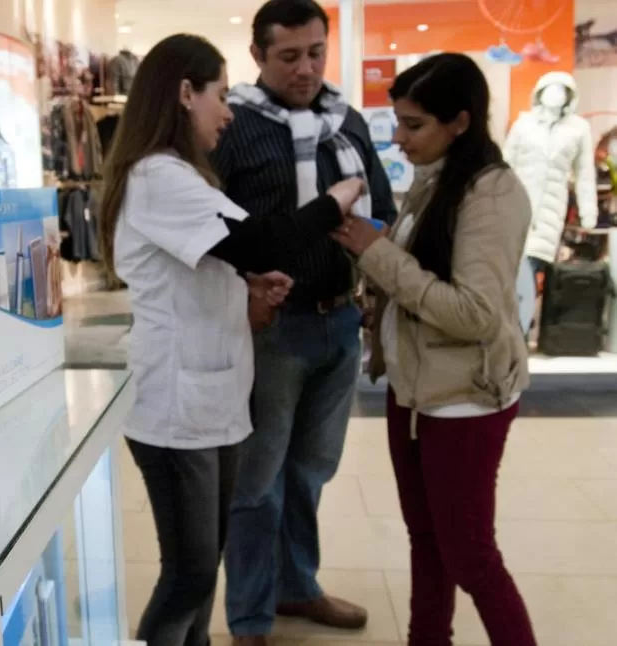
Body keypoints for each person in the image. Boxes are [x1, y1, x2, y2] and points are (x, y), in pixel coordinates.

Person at [97, 33, 364, 646]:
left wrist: (245, 289)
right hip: (176, 408)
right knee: (188, 575)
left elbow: (226, 253)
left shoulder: (186, 176)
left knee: (201, 567)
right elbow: (265, 241)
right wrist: (332, 201)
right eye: (220, 96)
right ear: (186, 93)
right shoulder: (158, 175)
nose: (228, 112)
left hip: (210, 397)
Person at [331, 53, 537, 646]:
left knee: (471, 555)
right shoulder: (436, 181)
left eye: (414, 124)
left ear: (462, 122)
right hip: (416, 392)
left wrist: (378, 252)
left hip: (464, 400)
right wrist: (380, 307)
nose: (398, 138)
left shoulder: (492, 195)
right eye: (397, 121)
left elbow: (473, 314)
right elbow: (426, 287)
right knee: (427, 541)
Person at [211, 1, 396, 642]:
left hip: (339, 321)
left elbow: (381, 211)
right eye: (290, 56)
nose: (307, 68)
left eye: (316, 52)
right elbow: (212, 234)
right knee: (258, 478)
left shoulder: (348, 122)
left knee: (312, 470)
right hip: (271, 326)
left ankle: (297, 587)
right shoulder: (233, 127)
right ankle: (251, 614)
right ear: (258, 55)